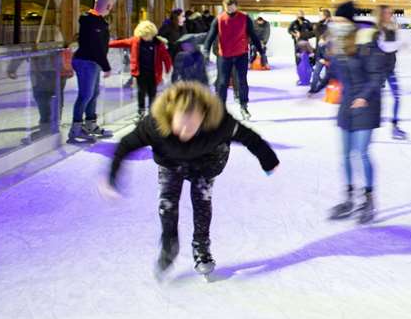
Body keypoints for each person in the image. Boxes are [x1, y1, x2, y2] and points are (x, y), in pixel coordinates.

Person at [101, 81, 278, 278]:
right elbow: (125, 145)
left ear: (203, 118)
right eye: (181, 125)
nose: (186, 132)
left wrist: (268, 160)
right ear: (170, 116)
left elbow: (249, 137)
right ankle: (169, 245)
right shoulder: (155, 124)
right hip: (170, 161)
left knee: (201, 200)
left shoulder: (220, 122)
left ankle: (201, 248)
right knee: (167, 202)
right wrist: (112, 177)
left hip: (208, 160)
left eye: (192, 125)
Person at [325, 5, 389, 223]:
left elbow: (376, 76)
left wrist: (364, 96)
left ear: (350, 22)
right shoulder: (337, 45)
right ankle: (350, 198)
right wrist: (313, 88)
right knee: (344, 156)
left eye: (341, 21)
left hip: (366, 104)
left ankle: (368, 200)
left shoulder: (366, 44)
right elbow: (332, 74)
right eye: (336, 21)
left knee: (361, 153)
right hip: (346, 105)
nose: (337, 25)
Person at [204, 0, 263, 119]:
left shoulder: (245, 18)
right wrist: (206, 50)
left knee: (241, 81)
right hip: (224, 56)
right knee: (222, 82)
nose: (229, 10)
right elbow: (210, 35)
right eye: (227, 8)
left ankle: (244, 106)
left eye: (231, 7)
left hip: (241, 54)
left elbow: (253, 35)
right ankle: (220, 109)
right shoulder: (219, 19)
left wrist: (261, 51)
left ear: (236, 6)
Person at [68, 0, 114, 144]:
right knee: (86, 95)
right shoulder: (91, 21)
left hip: (92, 62)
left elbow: (99, 47)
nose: (110, 9)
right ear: (108, 6)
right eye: (110, 6)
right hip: (86, 61)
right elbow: (96, 47)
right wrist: (106, 66)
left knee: (93, 94)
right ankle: (75, 128)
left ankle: (90, 124)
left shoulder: (98, 21)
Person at [110, 20, 173, 119]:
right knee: (141, 92)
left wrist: (168, 67)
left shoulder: (158, 44)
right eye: (143, 35)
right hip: (140, 72)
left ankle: (152, 112)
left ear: (152, 34)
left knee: (152, 92)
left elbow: (166, 57)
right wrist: (107, 44)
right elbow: (122, 42)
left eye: (147, 35)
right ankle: (141, 110)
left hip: (154, 73)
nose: (145, 37)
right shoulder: (136, 41)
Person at [373, 5, 411, 139]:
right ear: (381, 14)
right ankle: (368, 127)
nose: (390, 15)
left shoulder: (392, 28)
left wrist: (402, 45)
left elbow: (393, 47)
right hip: (378, 69)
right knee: (375, 99)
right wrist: (399, 44)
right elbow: (383, 46)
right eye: (387, 13)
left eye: (391, 12)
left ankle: (395, 127)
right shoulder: (378, 29)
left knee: (397, 96)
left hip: (390, 68)